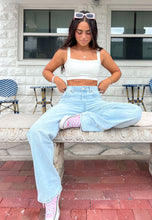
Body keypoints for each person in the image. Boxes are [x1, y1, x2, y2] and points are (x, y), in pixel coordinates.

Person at [27, 10, 142, 220]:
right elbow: (47, 70)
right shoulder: (64, 52)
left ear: (93, 33)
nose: (83, 37)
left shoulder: (100, 53)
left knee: (135, 112)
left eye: (87, 33)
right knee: (36, 132)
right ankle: (51, 195)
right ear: (73, 31)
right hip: (69, 100)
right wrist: (56, 80)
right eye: (79, 32)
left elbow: (116, 72)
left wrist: (107, 81)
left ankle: (80, 121)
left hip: (93, 101)